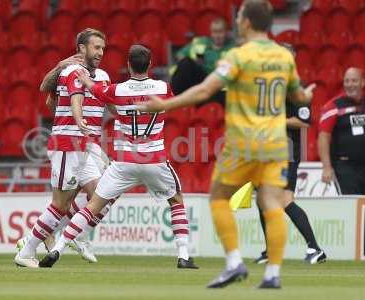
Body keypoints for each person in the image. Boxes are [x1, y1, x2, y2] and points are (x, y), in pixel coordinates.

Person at [137, 0, 315, 289]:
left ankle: (234, 263)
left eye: (241, 16)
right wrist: (307, 96)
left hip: (244, 142)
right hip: (276, 144)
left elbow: (205, 89)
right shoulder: (285, 58)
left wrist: (165, 105)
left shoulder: (238, 56)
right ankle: (272, 274)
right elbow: (299, 97)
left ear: (246, 22)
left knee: (218, 197)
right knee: (271, 202)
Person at [38, 44, 199, 270]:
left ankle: (58, 248)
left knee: (92, 206)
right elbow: (175, 100)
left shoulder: (118, 90)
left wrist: (85, 81)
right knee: (176, 201)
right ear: (150, 64)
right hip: (153, 159)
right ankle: (183, 255)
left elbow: (96, 91)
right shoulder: (163, 88)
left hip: (124, 161)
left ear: (128, 65)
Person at [14, 28, 113, 268]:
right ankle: (27, 250)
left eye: (102, 47)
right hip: (67, 144)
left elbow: (110, 104)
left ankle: (75, 235)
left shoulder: (104, 76)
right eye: (96, 47)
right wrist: (74, 120)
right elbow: (47, 94)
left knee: (103, 195)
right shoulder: (69, 71)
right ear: (81, 48)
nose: (101, 52)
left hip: (86, 146)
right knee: (61, 205)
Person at [255, 101, 326, 265]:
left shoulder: (297, 92)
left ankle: (315, 248)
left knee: (285, 200)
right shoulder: (269, 88)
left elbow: (303, 122)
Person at [318, 67, 365, 195]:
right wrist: (327, 167)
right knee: (352, 205)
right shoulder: (333, 106)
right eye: (347, 81)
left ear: (362, 82)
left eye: (354, 81)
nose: (350, 85)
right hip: (346, 167)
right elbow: (323, 138)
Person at [170, 18, 234, 106]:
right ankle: (174, 98)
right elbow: (180, 55)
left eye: (220, 32)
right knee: (186, 63)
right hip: (200, 79)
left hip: (217, 84)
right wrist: (195, 63)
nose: (217, 35)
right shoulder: (200, 43)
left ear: (226, 32)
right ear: (211, 33)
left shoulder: (233, 49)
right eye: (215, 32)